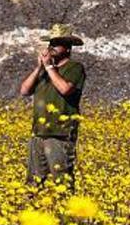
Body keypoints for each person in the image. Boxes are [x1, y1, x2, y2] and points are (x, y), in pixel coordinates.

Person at [18, 24, 86, 190]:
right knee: (33, 184)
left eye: (57, 44)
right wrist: (40, 68)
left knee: (61, 182)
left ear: (68, 48)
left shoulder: (75, 68)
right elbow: (24, 90)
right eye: (51, 44)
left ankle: (67, 215)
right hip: (39, 133)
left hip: (60, 134)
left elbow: (65, 89)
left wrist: (49, 67)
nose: (51, 47)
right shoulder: (45, 71)